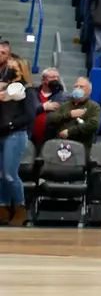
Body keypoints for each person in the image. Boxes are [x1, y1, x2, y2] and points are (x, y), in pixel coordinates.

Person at [1, 70, 41, 225]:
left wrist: (11, 125)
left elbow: (30, 114)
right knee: (1, 175)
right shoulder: (3, 87)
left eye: (15, 67)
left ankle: (20, 208)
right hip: (1, 133)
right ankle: (3, 208)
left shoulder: (28, 90)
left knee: (10, 174)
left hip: (15, 133)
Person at [46, 76, 101, 149]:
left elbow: (93, 125)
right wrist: (69, 115)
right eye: (76, 86)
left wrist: (70, 131)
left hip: (82, 147)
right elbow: (50, 119)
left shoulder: (93, 106)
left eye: (81, 87)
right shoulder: (65, 105)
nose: (78, 89)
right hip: (62, 146)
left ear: (89, 90)